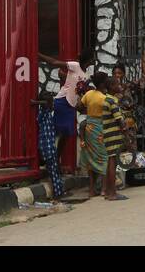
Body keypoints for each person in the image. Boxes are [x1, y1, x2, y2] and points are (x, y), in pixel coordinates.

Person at [79, 72, 128, 201]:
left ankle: (92, 190)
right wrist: (125, 131)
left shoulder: (89, 94)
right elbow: (118, 119)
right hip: (102, 130)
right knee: (108, 160)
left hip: (90, 128)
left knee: (91, 159)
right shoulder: (107, 99)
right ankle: (106, 190)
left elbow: (79, 106)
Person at [39, 52, 87, 161]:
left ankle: (54, 158)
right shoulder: (75, 65)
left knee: (66, 133)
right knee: (57, 130)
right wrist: (39, 55)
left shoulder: (84, 72)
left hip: (71, 104)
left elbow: (74, 83)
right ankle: (47, 155)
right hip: (64, 101)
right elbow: (54, 62)